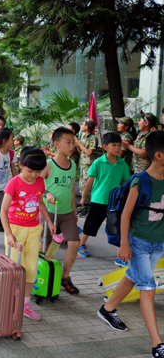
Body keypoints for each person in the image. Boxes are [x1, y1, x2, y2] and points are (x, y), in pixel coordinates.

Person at [98, 132, 164, 358]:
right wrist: (124, 244)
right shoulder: (141, 180)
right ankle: (158, 344)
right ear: (159, 155)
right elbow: (125, 215)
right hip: (138, 241)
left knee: (134, 276)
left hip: (159, 241)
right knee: (147, 288)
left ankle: (107, 310)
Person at [1, 147, 55, 321]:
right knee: (14, 269)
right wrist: (9, 234)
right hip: (16, 230)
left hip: (34, 230)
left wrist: (49, 221)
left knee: (31, 269)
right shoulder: (14, 183)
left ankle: (24, 304)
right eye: (29, 171)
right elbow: (3, 211)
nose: (33, 175)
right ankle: (9, 301)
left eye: (38, 172)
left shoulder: (40, 182)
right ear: (21, 165)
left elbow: (40, 203)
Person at [79, 132, 131, 262]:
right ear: (105, 147)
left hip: (115, 201)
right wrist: (83, 197)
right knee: (91, 224)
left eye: (119, 145)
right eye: (114, 145)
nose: (118, 148)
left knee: (116, 228)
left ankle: (119, 257)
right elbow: (90, 180)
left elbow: (125, 182)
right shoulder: (98, 162)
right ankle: (81, 245)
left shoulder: (122, 164)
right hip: (99, 199)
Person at [41, 127, 81, 295]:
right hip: (49, 213)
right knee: (48, 246)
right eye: (68, 142)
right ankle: (46, 275)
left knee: (74, 243)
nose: (72, 146)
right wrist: (46, 193)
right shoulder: (48, 165)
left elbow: (72, 189)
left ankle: (65, 277)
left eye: (73, 142)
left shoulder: (73, 165)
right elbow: (37, 184)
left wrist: (74, 211)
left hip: (66, 213)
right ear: (56, 144)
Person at [75, 119, 97, 217]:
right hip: (83, 164)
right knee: (82, 185)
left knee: (87, 186)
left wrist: (80, 144)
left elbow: (89, 152)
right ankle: (84, 205)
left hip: (89, 165)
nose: (82, 126)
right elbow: (82, 153)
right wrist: (78, 146)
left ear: (87, 126)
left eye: (83, 124)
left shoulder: (92, 138)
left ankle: (88, 207)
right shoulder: (83, 137)